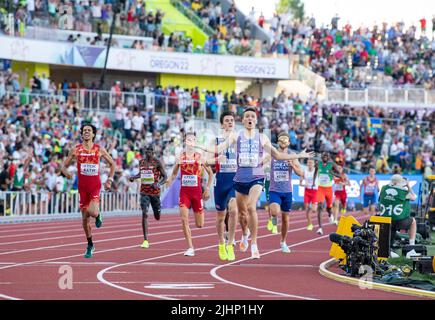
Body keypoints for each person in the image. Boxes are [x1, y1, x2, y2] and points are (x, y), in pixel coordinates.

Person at [195, 108, 314, 259]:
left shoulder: (262, 137)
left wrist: (299, 155)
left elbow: (276, 154)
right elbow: (218, 149)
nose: (250, 118)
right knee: (242, 214)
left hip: (256, 176)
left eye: (252, 116)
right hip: (240, 178)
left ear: (256, 120)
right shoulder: (236, 135)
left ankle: (254, 244)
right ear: (243, 120)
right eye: (247, 116)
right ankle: (241, 236)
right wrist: (201, 148)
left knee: (249, 207)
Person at [61, 123, 116, 258]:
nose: (86, 132)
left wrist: (109, 180)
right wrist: (66, 172)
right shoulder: (75, 150)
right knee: (85, 219)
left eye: (89, 130)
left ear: (93, 134)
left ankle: (98, 215)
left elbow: (113, 164)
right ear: (81, 134)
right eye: (84, 130)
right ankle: (90, 244)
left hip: (94, 186)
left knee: (93, 212)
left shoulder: (99, 149)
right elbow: (63, 166)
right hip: (82, 188)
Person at [167, 132, 213, 257]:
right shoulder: (179, 157)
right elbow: (173, 173)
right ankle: (190, 247)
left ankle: (199, 220)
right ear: (185, 141)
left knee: (200, 225)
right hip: (185, 193)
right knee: (184, 219)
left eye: (193, 139)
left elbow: (211, 174)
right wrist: (169, 181)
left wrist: (207, 188)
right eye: (188, 139)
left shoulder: (200, 157)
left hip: (197, 194)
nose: (190, 141)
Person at [210, 111, 239, 261]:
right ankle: (221, 243)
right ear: (222, 124)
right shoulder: (215, 140)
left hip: (235, 180)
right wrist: (215, 157)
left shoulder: (239, 139)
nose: (229, 122)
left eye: (232, 120)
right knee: (221, 216)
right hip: (220, 181)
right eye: (227, 120)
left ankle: (230, 242)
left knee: (234, 211)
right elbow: (206, 157)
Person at [269, 132, 304, 253]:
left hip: (287, 191)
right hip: (274, 190)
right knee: (274, 211)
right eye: (281, 140)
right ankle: (273, 219)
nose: (283, 142)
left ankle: (283, 242)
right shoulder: (273, 154)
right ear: (278, 142)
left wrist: (293, 166)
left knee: (285, 219)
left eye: (285, 140)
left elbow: (301, 173)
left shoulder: (292, 155)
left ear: (289, 143)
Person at [129, 145, 167, 249]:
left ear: (154, 152)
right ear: (145, 152)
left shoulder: (157, 162)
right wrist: (134, 177)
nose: (149, 153)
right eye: (147, 151)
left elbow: (165, 176)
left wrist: (158, 184)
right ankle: (145, 240)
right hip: (144, 192)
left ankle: (158, 210)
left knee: (157, 216)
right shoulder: (141, 162)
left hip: (155, 193)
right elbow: (141, 174)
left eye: (151, 151)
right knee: (144, 213)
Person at [378, 174, 417, 258]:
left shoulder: (384, 189)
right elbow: (414, 197)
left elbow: (380, 198)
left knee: (391, 228)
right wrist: (408, 185)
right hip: (398, 220)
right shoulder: (403, 192)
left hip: (385, 220)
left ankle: (389, 249)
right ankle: (411, 247)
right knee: (413, 221)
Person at [316, 152, 340, 235]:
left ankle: (330, 215)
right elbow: (315, 172)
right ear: (321, 157)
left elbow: (340, 175)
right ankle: (320, 228)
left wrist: (332, 173)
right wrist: (313, 181)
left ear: (329, 157)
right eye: (323, 156)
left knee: (329, 207)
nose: (325, 157)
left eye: (326, 156)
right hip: (320, 188)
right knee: (320, 206)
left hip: (329, 189)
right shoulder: (318, 164)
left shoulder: (332, 164)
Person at [300, 158, 318, 231]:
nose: (310, 164)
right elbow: (300, 183)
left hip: (315, 191)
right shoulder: (304, 172)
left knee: (314, 210)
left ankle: (314, 207)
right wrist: (304, 184)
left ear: (313, 164)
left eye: (311, 163)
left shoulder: (316, 171)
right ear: (307, 164)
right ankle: (310, 224)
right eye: (308, 163)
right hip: (307, 191)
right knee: (307, 209)